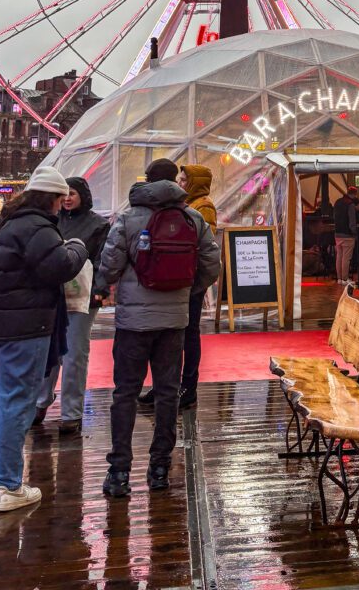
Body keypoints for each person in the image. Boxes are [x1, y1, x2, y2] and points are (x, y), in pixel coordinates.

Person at [93, 158, 220, 498]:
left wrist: (108, 286)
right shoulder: (192, 217)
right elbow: (212, 264)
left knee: (125, 392)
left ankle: (119, 471)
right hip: (174, 320)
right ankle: (160, 467)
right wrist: (185, 291)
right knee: (167, 392)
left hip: (133, 323)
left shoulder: (129, 218)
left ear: (146, 180)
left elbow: (109, 264)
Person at [0, 166, 88, 512]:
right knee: (16, 401)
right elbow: (59, 267)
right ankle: (10, 485)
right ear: (51, 199)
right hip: (23, 326)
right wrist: (78, 248)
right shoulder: (39, 228)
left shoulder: (6, 221)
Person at [138, 164, 217, 410]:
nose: (180, 183)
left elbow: (206, 248)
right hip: (178, 278)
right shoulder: (183, 205)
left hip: (189, 280)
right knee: (171, 336)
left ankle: (187, 387)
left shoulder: (202, 207)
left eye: (184, 180)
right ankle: (166, 386)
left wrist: (198, 283)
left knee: (189, 334)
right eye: (179, 179)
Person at [35, 175, 110, 434]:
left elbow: (103, 260)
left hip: (83, 297)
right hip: (53, 294)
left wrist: (100, 289)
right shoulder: (51, 221)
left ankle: (72, 412)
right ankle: (40, 401)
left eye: (73, 193)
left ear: (83, 195)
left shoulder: (98, 225)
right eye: (64, 193)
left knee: (75, 353)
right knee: (48, 351)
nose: (67, 198)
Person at [333, 186, 359, 284]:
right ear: (355, 194)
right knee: (346, 258)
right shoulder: (350, 204)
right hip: (347, 235)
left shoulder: (337, 202)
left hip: (337, 234)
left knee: (339, 256)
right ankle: (345, 279)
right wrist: (355, 233)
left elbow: (334, 217)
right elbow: (352, 222)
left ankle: (339, 279)